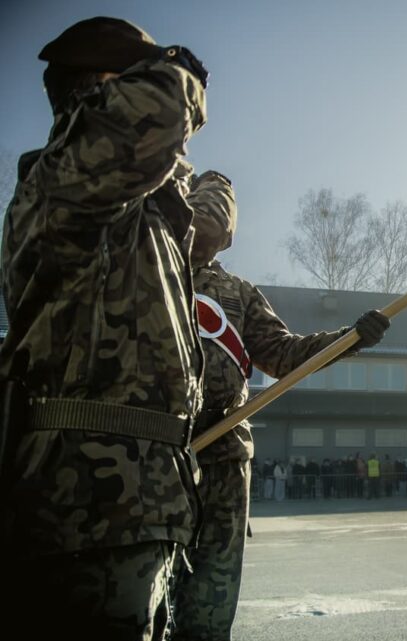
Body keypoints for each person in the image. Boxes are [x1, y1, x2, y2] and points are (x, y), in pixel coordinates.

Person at [0, 17, 210, 639]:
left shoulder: (126, 214)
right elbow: (162, 110)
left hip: (135, 505)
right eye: (135, 77)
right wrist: (178, 73)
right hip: (87, 508)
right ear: (97, 94)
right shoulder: (64, 183)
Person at [172, 177, 390, 639]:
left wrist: (349, 339)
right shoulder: (149, 272)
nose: (208, 229)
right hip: (153, 451)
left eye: (219, 221)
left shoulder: (238, 293)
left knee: (212, 591)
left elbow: (284, 354)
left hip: (223, 456)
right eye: (200, 214)